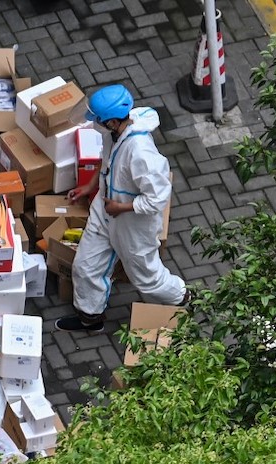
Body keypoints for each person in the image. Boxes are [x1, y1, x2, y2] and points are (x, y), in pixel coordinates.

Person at [55, 84, 188, 333]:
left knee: (146, 278)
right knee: (85, 266)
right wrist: (90, 187)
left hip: (133, 225)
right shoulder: (114, 133)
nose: (93, 124)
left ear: (113, 121)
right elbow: (106, 160)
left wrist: (122, 207)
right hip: (105, 210)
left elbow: (158, 198)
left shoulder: (141, 153)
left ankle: (182, 298)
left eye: (97, 120)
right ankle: (90, 318)